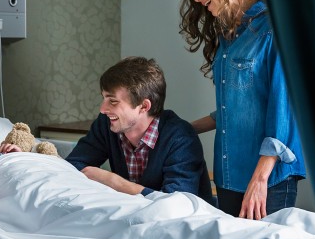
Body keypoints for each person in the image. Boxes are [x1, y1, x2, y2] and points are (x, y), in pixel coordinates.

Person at [179, 0, 306, 219]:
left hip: (267, 180)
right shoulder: (228, 36)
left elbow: (285, 110)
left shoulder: (274, 29)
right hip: (227, 175)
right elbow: (233, 108)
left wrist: (260, 179)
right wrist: (181, 127)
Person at [65, 56, 214, 204]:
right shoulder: (106, 124)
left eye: (113, 101)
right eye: (103, 98)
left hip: (188, 225)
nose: (103, 109)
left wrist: (114, 182)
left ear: (144, 106)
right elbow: (72, 167)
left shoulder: (181, 138)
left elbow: (177, 204)